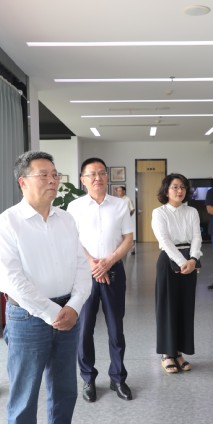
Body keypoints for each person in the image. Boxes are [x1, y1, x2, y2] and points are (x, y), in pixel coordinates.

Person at [0, 151, 91, 424]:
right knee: (24, 396)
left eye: (54, 174)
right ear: (23, 182)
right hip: (27, 318)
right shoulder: (7, 224)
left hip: (68, 312)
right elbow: (11, 280)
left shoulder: (66, 219)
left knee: (65, 390)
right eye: (43, 174)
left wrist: (74, 306)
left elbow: (82, 266)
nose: (52, 180)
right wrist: (51, 313)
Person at [68, 158, 134, 403]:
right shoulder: (74, 207)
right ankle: (88, 378)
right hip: (84, 274)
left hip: (114, 272)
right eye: (92, 174)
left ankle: (118, 378)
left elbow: (128, 239)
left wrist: (109, 261)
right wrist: (94, 264)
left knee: (116, 328)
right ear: (83, 180)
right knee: (84, 328)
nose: (97, 178)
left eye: (102, 173)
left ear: (107, 177)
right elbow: (71, 239)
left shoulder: (119, 205)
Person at [151, 173, 202, 374]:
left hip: (190, 260)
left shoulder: (192, 211)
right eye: (175, 187)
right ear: (166, 190)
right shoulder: (159, 213)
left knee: (185, 307)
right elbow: (164, 240)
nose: (179, 191)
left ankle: (179, 352)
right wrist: (182, 262)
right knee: (167, 307)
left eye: (182, 187)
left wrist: (193, 259)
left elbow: (197, 237)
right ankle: (167, 354)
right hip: (169, 261)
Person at [115, 185, 136, 255]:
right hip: (118, 220)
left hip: (126, 220)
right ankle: (121, 250)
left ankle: (132, 248)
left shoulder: (128, 199)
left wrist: (128, 217)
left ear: (124, 191)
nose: (118, 192)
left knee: (127, 234)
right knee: (120, 235)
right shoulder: (116, 200)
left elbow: (132, 209)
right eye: (117, 191)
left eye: (120, 191)